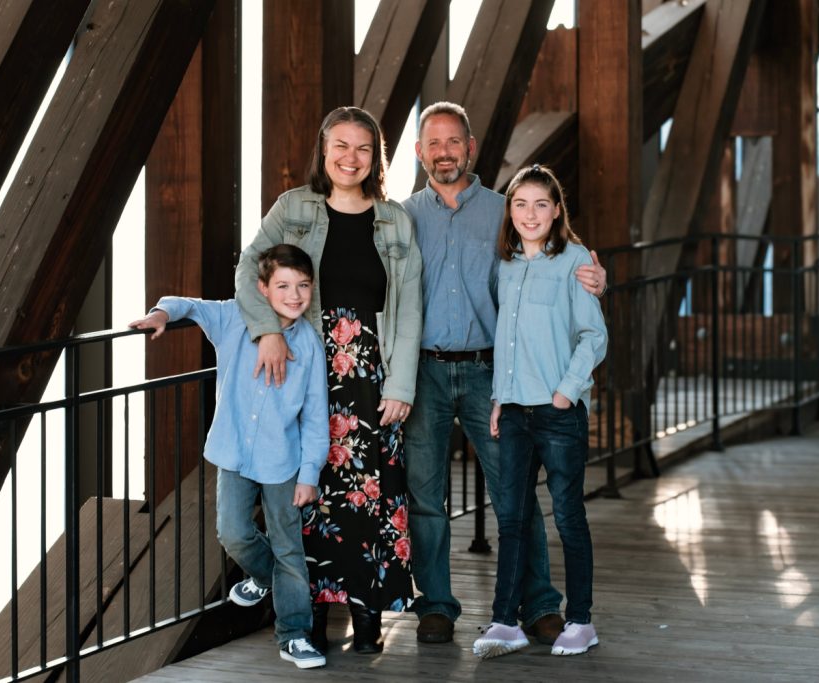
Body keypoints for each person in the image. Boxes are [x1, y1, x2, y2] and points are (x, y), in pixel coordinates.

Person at [401, 101, 608, 645]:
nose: (444, 152)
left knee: (513, 494)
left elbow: (551, 262)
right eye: (433, 143)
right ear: (419, 152)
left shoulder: (503, 210)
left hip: (492, 372)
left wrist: (592, 273)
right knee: (425, 495)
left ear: (470, 148)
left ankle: (539, 603)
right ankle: (437, 606)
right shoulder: (402, 217)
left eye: (454, 142)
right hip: (423, 372)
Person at [234, 106, 422, 655]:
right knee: (308, 495)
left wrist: (402, 385)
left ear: (376, 157)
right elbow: (249, 270)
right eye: (340, 145)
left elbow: (410, 307)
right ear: (323, 149)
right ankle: (310, 615)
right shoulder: (292, 208)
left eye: (363, 148)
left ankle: (367, 618)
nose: (350, 158)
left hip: (373, 375)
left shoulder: (394, 221)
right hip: (305, 368)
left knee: (371, 497)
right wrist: (268, 330)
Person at [128, 244, 330, 670]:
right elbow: (188, 305)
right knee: (233, 532)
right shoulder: (233, 318)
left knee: (288, 547)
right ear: (261, 288)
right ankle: (264, 575)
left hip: (283, 462)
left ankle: (294, 633)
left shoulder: (309, 343)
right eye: (283, 286)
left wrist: (309, 473)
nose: (294, 296)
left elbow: (315, 415)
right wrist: (162, 313)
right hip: (234, 451)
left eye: (303, 286)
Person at [473, 164, 607, 659]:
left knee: (569, 516)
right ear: (510, 211)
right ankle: (505, 622)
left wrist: (565, 393)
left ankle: (581, 621)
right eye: (521, 204)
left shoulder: (575, 262)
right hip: (512, 412)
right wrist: (499, 399)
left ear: (556, 212)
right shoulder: (506, 265)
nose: (530, 214)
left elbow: (594, 336)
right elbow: (507, 343)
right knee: (511, 518)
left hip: (556, 412)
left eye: (541, 205)